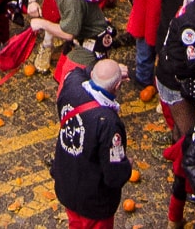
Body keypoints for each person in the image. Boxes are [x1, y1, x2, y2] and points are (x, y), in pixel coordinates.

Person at [51, 56, 133, 229]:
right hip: (94, 201)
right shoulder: (109, 123)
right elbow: (114, 175)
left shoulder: (72, 87)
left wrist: (104, 71)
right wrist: (127, 166)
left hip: (67, 185)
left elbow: (77, 71)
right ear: (117, 86)